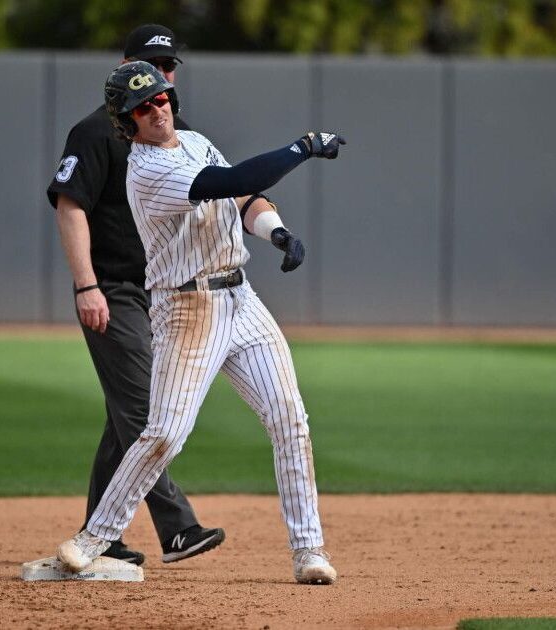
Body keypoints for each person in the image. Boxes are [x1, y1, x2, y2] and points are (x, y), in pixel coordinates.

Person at [56, 60, 343, 585]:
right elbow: (232, 179)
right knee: (164, 433)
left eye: (161, 97)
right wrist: (303, 147)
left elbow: (242, 197)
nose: (156, 108)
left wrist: (275, 232)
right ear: (128, 121)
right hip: (188, 310)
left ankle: (309, 551)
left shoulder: (195, 141)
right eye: (142, 106)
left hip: (242, 299)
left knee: (289, 418)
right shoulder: (146, 169)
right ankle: (92, 538)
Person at [46, 25, 232, 566]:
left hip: (165, 294)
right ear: (123, 66)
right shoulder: (95, 133)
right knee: (146, 408)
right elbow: (70, 205)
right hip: (117, 290)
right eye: (151, 63)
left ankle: (99, 532)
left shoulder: (182, 135)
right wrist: (87, 284)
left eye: (169, 66)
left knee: (121, 418)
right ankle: (177, 527)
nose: (162, 76)